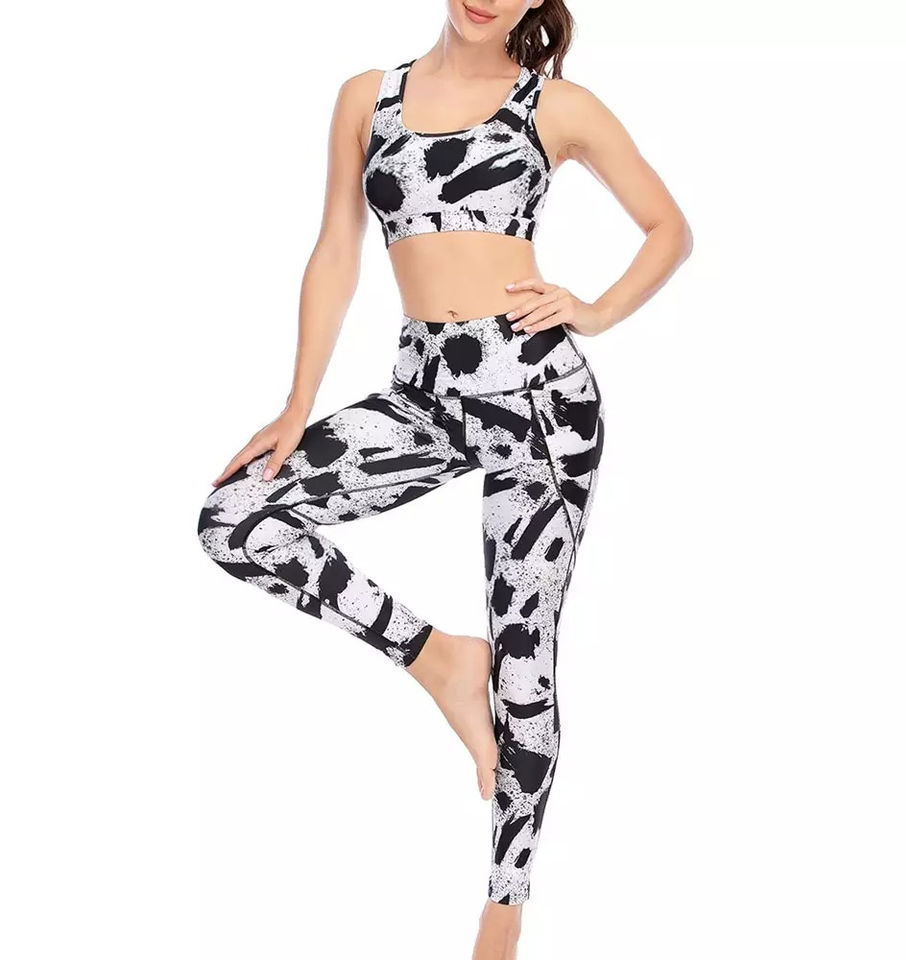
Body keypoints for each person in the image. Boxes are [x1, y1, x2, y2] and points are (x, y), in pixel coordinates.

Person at [197, 1, 692, 956]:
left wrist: (594, 310)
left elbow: (668, 228)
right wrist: (298, 404)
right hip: (420, 394)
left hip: (536, 399)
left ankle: (503, 913)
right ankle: (438, 661)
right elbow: (336, 251)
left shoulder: (556, 105)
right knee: (234, 519)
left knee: (526, 660)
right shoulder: (367, 98)